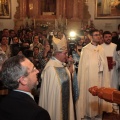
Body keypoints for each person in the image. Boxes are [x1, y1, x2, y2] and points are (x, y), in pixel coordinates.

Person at [39, 35, 80, 120]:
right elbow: (63, 78)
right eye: (65, 53)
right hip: (55, 104)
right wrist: (70, 70)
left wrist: (70, 65)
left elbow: (64, 76)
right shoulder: (51, 67)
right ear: (58, 53)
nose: (66, 55)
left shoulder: (58, 63)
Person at [0, 55, 51, 120]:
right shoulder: (39, 114)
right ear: (23, 80)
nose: (37, 71)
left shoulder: (3, 104)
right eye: (33, 69)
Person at [77, 29, 112, 119]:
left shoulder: (101, 49)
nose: (99, 36)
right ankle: (89, 114)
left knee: (99, 97)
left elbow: (105, 65)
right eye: (96, 35)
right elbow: (83, 67)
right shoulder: (86, 49)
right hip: (89, 78)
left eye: (99, 35)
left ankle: (98, 114)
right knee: (90, 96)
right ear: (91, 37)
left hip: (100, 77)